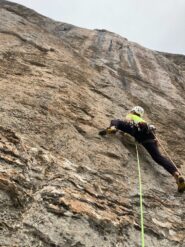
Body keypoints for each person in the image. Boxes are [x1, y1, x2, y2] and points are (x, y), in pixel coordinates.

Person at [99, 106, 185, 193]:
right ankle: (176, 175)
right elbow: (152, 134)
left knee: (116, 121)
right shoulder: (144, 121)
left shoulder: (131, 115)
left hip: (136, 130)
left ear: (133, 111)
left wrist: (124, 129)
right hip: (149, 136)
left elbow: (128, 121)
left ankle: (113, 127)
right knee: (158, 157)